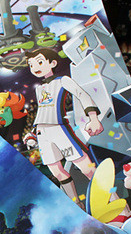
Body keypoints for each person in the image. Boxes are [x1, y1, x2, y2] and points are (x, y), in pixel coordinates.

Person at [25, 48, 103, 207]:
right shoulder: (39, 89)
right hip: (43, 134)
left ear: (52, 63)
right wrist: (33, 133)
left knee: (86, 168)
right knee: (57, 173)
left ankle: (116, 201)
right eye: (31, 65)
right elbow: (43, 111)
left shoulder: (63, 80)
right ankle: (78, 205)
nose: (35, 67)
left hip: (59, 129)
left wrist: (93, 118)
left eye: (39, 62)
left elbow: (82, 94)